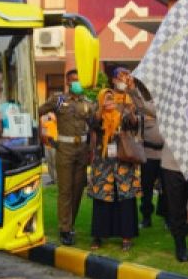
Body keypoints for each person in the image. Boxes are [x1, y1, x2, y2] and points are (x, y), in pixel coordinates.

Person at [38, 70, 95, 246]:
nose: (76, 83)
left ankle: (71, 225)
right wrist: (42, 134)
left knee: (78, 190)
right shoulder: (59, 100)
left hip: (82, 150)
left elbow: (94, 124)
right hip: (64, 149)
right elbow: (38, 111)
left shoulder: (87, 102)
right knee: (65, 190)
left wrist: (91, 148)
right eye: (73, 81)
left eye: (79, 80)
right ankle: (64, 228)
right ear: (67, 83)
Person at [86, 88, 142, 251]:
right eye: (106, 98)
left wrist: (129, 110)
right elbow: (92, 124)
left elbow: (133, 124)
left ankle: (127, 237)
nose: (110, 101)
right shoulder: (97, 116)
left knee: (125, 200)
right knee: (102, 200)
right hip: (103, 166)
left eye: (112, 99)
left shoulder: (122, 114)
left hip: (123, 164)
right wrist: (101, 109)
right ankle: (98, 236)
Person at [138, 82, 165, 227]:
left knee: (166, 189)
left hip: (165, 155)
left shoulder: (168, 106)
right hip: (148, 155)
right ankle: (146, 217)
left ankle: (167, 217)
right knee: (146, 188)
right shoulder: (144, 108)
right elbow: (138, 132)